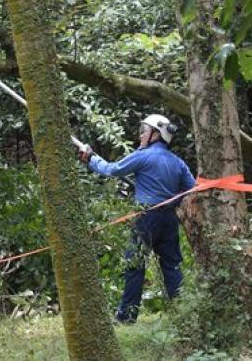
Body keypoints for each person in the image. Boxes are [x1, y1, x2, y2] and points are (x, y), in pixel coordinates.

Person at [79, 113, 195, 323]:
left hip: (146, 219)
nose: (141, 135)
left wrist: (91, 158)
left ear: (155, 135)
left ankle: (126, 316)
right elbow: (192, 188)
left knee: (135, 265)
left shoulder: (143, 157)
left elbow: (111, 170)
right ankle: (184, 315)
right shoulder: (178, 163)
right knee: (171, 265)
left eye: (144, 131)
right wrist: (170, 198)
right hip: (169, 220)